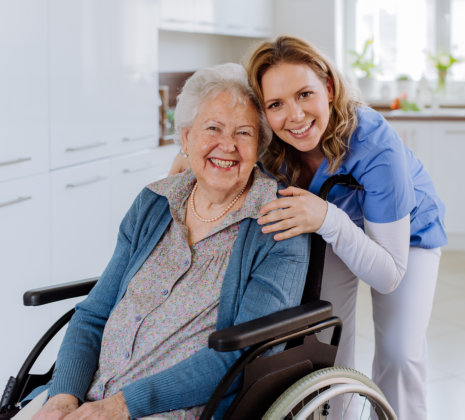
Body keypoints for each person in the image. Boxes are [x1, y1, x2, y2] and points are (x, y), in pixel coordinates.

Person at [15, 63, 310, 420]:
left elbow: (244, 354)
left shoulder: (278, 222)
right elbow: (93, 314)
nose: (227, 145)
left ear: (259, 145)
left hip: (173, 408)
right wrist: (63, 396)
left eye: (243, 133)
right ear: (186, 139)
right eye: (212, 128)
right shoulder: (154, 202)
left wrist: (121, 406)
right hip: (85, 397)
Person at [245, 36, 447, 419]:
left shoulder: (373, 142)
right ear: (262, 111)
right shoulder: (269, 145)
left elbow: (388, 274)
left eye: (305, 94)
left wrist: (328, 218)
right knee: (326, 346)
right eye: (276, 104)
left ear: (329, 87)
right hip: (326, 227)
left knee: (400, 355)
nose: (295, 115)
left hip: (407, 235)